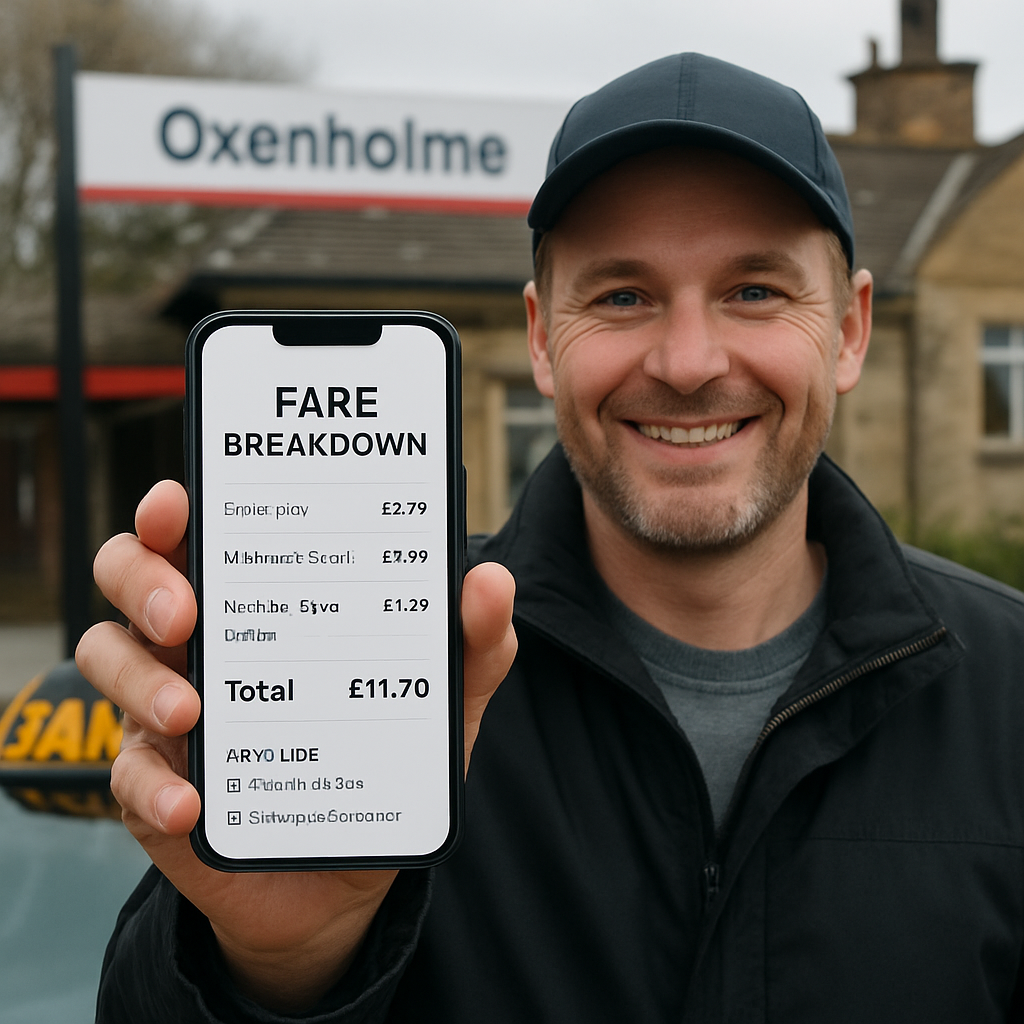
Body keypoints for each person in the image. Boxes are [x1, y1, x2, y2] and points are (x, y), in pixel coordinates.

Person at [78, 53, 1024, 1022]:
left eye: (754, 291)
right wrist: (272, 966)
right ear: (540, 338)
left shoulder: (1011, 687)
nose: (687, 363)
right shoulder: (377, 666)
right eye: (621, 296)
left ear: (850, 330)